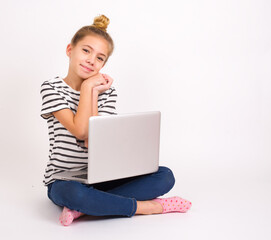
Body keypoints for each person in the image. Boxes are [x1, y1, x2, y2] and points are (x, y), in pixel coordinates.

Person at [40, 15, 191, 226]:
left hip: (102, 179)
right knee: (77, 194)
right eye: (86, 50)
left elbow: (93, 143)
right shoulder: (51, 88)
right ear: (69, 50)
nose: (92, 60)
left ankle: (82, 210)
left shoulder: (107, 93)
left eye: (100, 58)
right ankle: (147, 207)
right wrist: (87, 88)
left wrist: (94, 91)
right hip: (65, 180)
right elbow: (81, 132)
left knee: (165, 176)